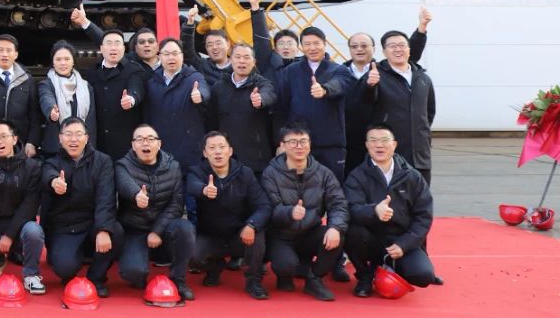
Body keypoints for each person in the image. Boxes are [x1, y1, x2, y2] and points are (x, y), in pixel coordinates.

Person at [344, 124, 437, 296]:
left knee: (423, 276)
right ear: (367, 145)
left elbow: (424, 216)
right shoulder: (357, 176)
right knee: (351, 230)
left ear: (394, 144)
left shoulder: (412, 176)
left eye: (384, 140)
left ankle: (391, 268)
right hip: (371, 240)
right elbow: (351, 209)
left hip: (401, 240)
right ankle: (365, 275)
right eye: (373, 141)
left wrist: (405, 244)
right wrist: (374, 210)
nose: (379, 145)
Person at [260, 124, 349, 301]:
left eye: (303, 141)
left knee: (337, 236)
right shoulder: (270, 173)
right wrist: (289, 213)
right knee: (286, 266)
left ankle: (314, 278)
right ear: (282, 146)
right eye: (293, 142)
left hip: (310, 231)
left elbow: (339, 204)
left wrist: (335, 227)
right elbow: (269, 209)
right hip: (282, 234)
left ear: (310, 145)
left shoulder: (323, 173)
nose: (299, 146)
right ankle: (287, 273)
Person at [114, 124, 196, 300]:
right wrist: (136, 195)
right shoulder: (122, 165)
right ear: (133, 145)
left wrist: (157, 231)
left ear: (159, 144)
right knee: (133, 273)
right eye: (140, 139)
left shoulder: (173, 166)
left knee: (185, 228)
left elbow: (176, 204)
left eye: (150, 139)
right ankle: (139, 268)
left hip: (164, 228)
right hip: (135, 228)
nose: (146, 143)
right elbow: (124, 184)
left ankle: (179, 279)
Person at [186, 131, 270, 299]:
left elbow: (264, 206)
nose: (218, 152)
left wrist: (251, 224)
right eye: (212, 148)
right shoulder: (197, 172)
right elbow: (191, 186)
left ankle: (254, 282)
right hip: (210, 235)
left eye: (222, 147)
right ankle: (214, 267)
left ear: (230, 151)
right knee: (191, 254)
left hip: (240, 234)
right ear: (205, 153)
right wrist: (204, 190)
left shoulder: (245, 173)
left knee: (258, 233)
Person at [41, 117, 118, 297]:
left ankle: (96, 278)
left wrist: (103, 229)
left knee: (116, 231)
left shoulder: (103, 161)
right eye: (68, 134)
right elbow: (47, 175)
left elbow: (106, 198)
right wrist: (54, 182)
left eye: (78, 134)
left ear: (87, 137)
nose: (73, 139)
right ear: (60, 138)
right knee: (64, 268)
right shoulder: (52, 162)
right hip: (66, 227)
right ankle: (72, 262)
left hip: (92, 224)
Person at [0, 119, 46, 295]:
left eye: (3, 136)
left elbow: (30, 206)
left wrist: (9, 236)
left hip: (21, 229)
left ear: (14, 139)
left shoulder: (32, 167)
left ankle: (31, 274)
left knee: (34, 231)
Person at [362, 31, 437, 184]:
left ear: (409, 50)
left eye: (402, 45)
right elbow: (365, 102)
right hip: (389, 153)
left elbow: (429, 112)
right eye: (392, 46)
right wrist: (370, 85)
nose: (398, 49)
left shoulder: (423, 78)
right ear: (384, 52)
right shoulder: (375, 75)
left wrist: (421, 132)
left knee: (421, 195)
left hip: (420, 154)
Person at [275, 27, 349, 181]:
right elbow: (281, 106)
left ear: (325, 44)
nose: (312, 48)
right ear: (301, 46)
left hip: (331, 144)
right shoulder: (290, 71)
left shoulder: (339, 69)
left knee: (332, 187)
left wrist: (325, 89)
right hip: (299, 143)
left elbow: (340, 84)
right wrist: (282, 140)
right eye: (307, 44)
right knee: (300, 187)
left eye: (316, 43)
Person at [207, 42, 277, 175]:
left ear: (254, 62)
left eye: (246, 57)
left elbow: (269, 94)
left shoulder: (262, 84)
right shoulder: (219, 87)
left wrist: (260, 99)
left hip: (256, 157)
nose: (242, 61)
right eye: (238, 57)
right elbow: (211, 120)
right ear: (231, 60)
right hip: (227, 158)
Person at [143, 37, 209, 173]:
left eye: (175, 53)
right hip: (161, 150)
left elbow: (204, 90)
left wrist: (200, 95)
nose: (171, 58)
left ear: (182, 56)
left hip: (190, 150)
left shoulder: (193, 77)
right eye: (166, 54)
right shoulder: (151, 82)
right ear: (159, 57)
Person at [0, 34, 41, 157]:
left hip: (19, 144)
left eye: (9, 50)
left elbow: (34, 114)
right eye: (0, 50)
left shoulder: (27, 79)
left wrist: (32, 142)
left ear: (16, 54)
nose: (4, 54)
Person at [84, 30, 146, 161]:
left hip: (125, 144)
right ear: (101, 48)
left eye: (117, 43)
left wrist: (131, 99)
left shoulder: (134, 69)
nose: (113, 47)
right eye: (109, 43)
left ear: (123, 48)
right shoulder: (91, 72)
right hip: (98, 143)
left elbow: (136, 88)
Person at [37, 41, 96, 155]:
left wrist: (91, 146)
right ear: (53, 62)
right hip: (56, 149)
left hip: (81, 147)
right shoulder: (46, 84)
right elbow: (46, 98)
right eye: (58, 59)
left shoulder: (86, 86)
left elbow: (91, 119)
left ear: (73, 61)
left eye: (67, 59)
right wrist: (51, 111)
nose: (63, 63)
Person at [342, 31, 379, 176]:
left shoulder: (383, 71)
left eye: (364, 46)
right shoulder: (339, 73)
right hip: (347, 139)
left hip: (376, 138)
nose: (359, 49)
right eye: (354, 46)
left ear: (373, 48)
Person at [248, 0, 298, 82]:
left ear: (297, 48)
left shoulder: (304, 67)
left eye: (290, 43)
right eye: (281, 43)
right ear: (275, 48)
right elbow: (262, 39)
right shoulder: (267, 63)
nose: (286, 47)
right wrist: (255, 7)